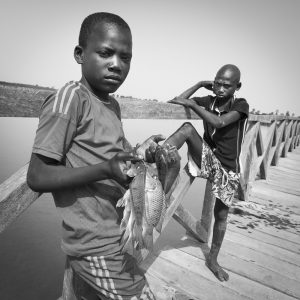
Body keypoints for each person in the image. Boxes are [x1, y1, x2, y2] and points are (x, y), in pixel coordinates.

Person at [27, 12, 162, 300]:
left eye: (125, 58)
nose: (116, 64)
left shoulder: (112, 104)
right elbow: (37, 176)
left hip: (119, 231)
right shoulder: (70, 98)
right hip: (94, 244)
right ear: (80, 54)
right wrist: (105, 169)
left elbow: (117, 152)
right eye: (105, 53)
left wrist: (142, 151)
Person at [158, 64, 249, 282]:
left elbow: (218, 122)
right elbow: (178, 99)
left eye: (226, 85)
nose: (220, 88)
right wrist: (199, 85)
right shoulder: (209, 101)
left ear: (237, 86)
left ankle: (213, 260)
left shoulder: (240, 104)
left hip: (227, 170)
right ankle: (157, 160)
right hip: (207, 159)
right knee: (188, 128)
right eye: (217, 83)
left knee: (221, 215)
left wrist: (193, 104)